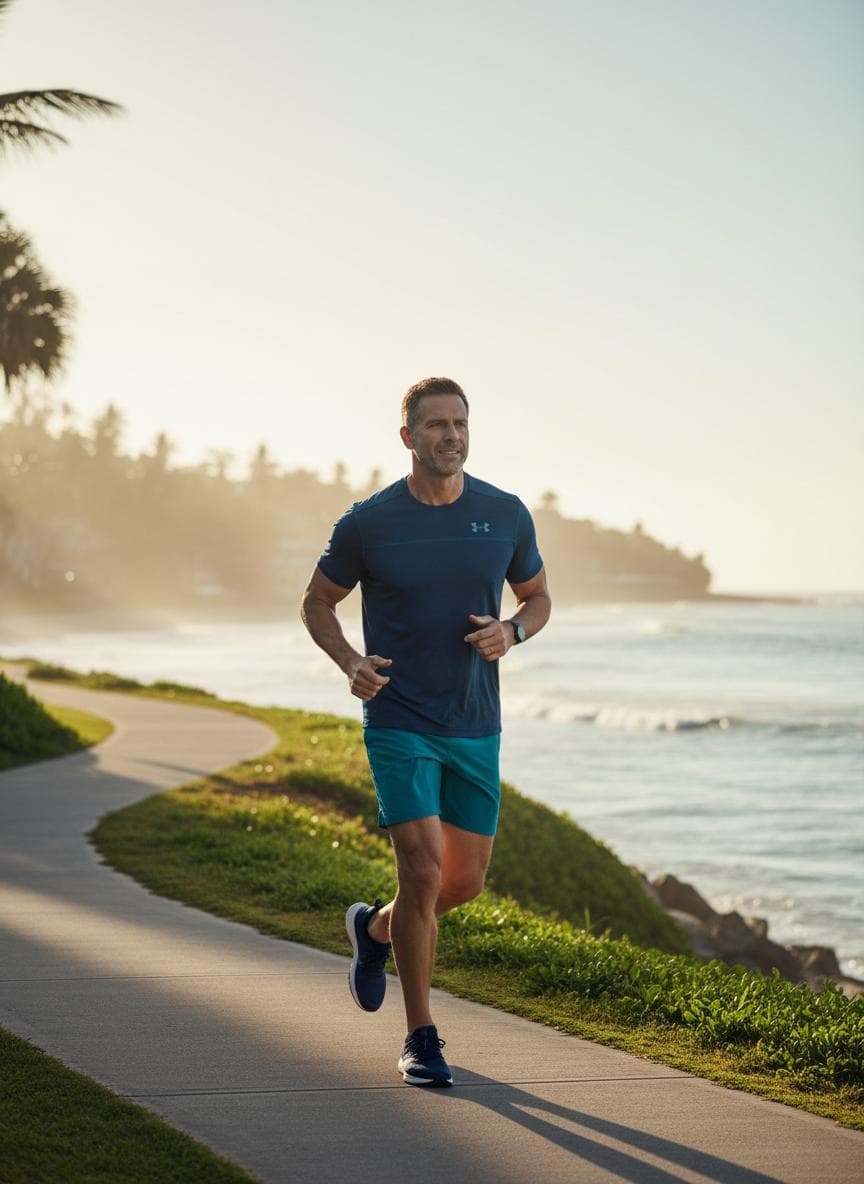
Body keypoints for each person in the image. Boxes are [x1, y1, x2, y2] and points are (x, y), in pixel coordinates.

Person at [300, 377, 551, 1087]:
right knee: (422, 870)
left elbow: (537, 598)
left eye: (460, 423)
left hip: (475, 720)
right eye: (436, 425)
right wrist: (350, 660)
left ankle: (373, 929)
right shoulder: (368, 523)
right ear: (408, 437)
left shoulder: (504, 514)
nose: (452, 435)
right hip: (399, 717)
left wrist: (513, 629)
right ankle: (421, 1037)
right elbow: (317, 602)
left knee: (462, 883)